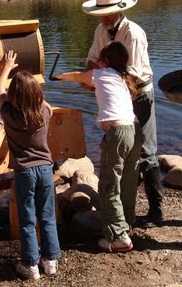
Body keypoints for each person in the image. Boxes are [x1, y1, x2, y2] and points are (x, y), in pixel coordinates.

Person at [82, 0, 164, 228]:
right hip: (121, 95)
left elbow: (133, 74)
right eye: (101, 13)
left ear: (119, 11)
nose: (104, 17)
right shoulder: (101, 30)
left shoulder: (133, 33)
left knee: (147, 152)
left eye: (108, 13)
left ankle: (156, 211)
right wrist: (89, 76)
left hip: (139, 95)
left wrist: (100, 81)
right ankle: (126, 211)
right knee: (124, 151)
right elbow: (92, 59)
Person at [54, 41, 143, 252]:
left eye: (99, 60)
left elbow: (78, 75)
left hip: (119, 134)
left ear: (105, 61)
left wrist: (59, 76)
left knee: (108, 185)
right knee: (128, 182)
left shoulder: (102, 74)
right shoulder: (123, 77)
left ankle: (119, 238)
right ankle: (126, 224)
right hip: (134, 131)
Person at [0, 50, 61, 280]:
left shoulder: (9, 114)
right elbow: (40, 99)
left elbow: (0, 90)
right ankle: (51, 261)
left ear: (14, 97)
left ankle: (30, 265)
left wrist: (6, 68)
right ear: (37, 94)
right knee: (47, 216)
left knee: (27, 219)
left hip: (24, 172)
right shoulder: (44, 111)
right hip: (45, 169)